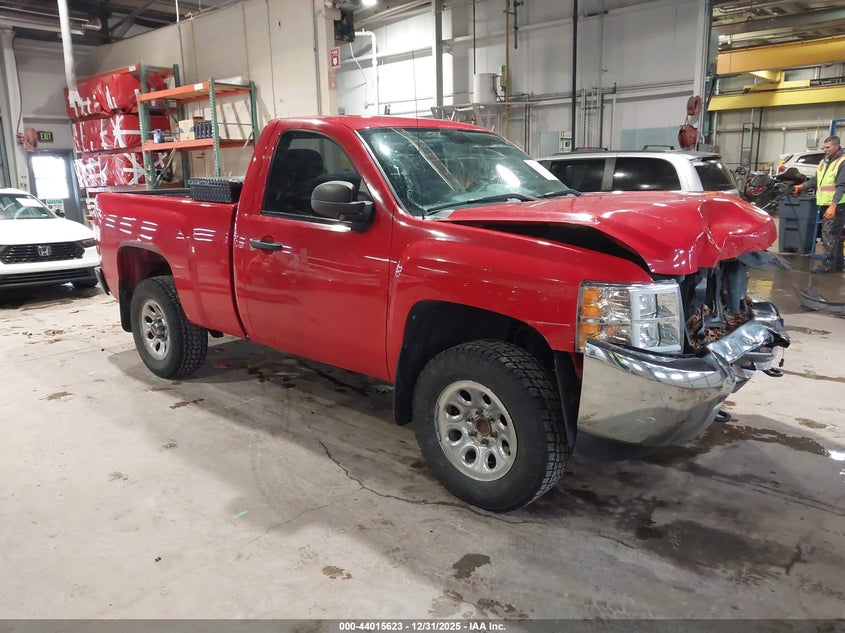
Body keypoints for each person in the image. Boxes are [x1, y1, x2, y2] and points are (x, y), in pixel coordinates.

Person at [793, 135, 845, 272]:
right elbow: (816, 180)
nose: (825, 150)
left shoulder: (842, 162)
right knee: (836, 235)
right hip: (825, 203)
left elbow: (842, 186)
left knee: (828, 235)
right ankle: (838, 264)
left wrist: (833, 206)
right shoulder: (825, 161)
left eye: (828, 147)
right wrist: (802, 186)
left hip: (836, 204)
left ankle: (827, 266)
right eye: (824, 147)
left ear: (836, 147)